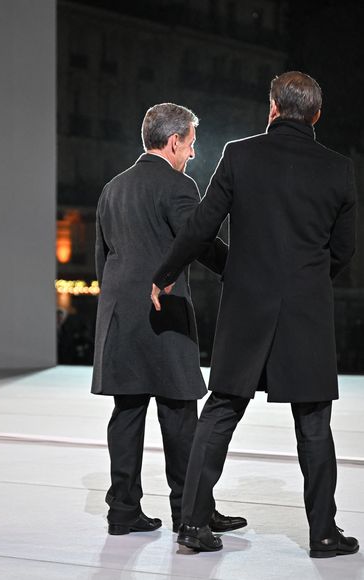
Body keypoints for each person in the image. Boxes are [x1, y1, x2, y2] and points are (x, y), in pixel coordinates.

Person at [151, 71, 359, 558]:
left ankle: (193, 524)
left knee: (221, 409)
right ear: (316, 115)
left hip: (247, 307)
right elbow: (344, 251)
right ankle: (324, 534)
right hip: (307, 311)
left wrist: (164, 274)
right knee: (313, 421)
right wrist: (306, 284)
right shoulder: (338, 168)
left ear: (272, 108)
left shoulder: (239, 155)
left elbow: (201, 227)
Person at [92, 103, 245, 535]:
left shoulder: (112, 188)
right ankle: (191, 512)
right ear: (174, 141)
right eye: (191, 145)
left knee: (127, 411)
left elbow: (101, 258)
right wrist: (239, 269)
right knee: (179, 414)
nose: (192, 154)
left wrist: (118, 300)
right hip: (164, 312)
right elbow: (197, 241)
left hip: (120, 313)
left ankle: (123, 511)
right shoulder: (179, 186)